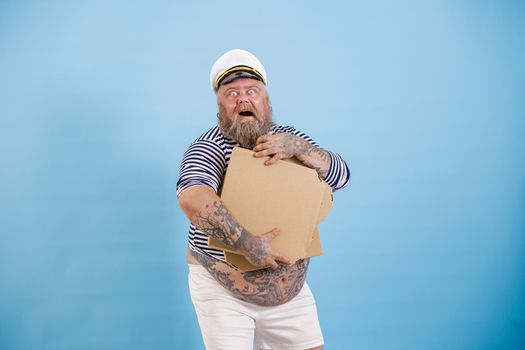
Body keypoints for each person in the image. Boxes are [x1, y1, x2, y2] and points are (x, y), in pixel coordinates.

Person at [177, 49, 350, 350]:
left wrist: (301, 149)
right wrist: (246, 244)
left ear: (266, 101)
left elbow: (340, 177)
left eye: (252, 91)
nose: (243, 99)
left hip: (290, 295)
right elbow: (192, 197)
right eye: (232, 93)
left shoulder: (289, 139)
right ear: (219, 106)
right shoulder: (209, 147)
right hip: (224, 294)